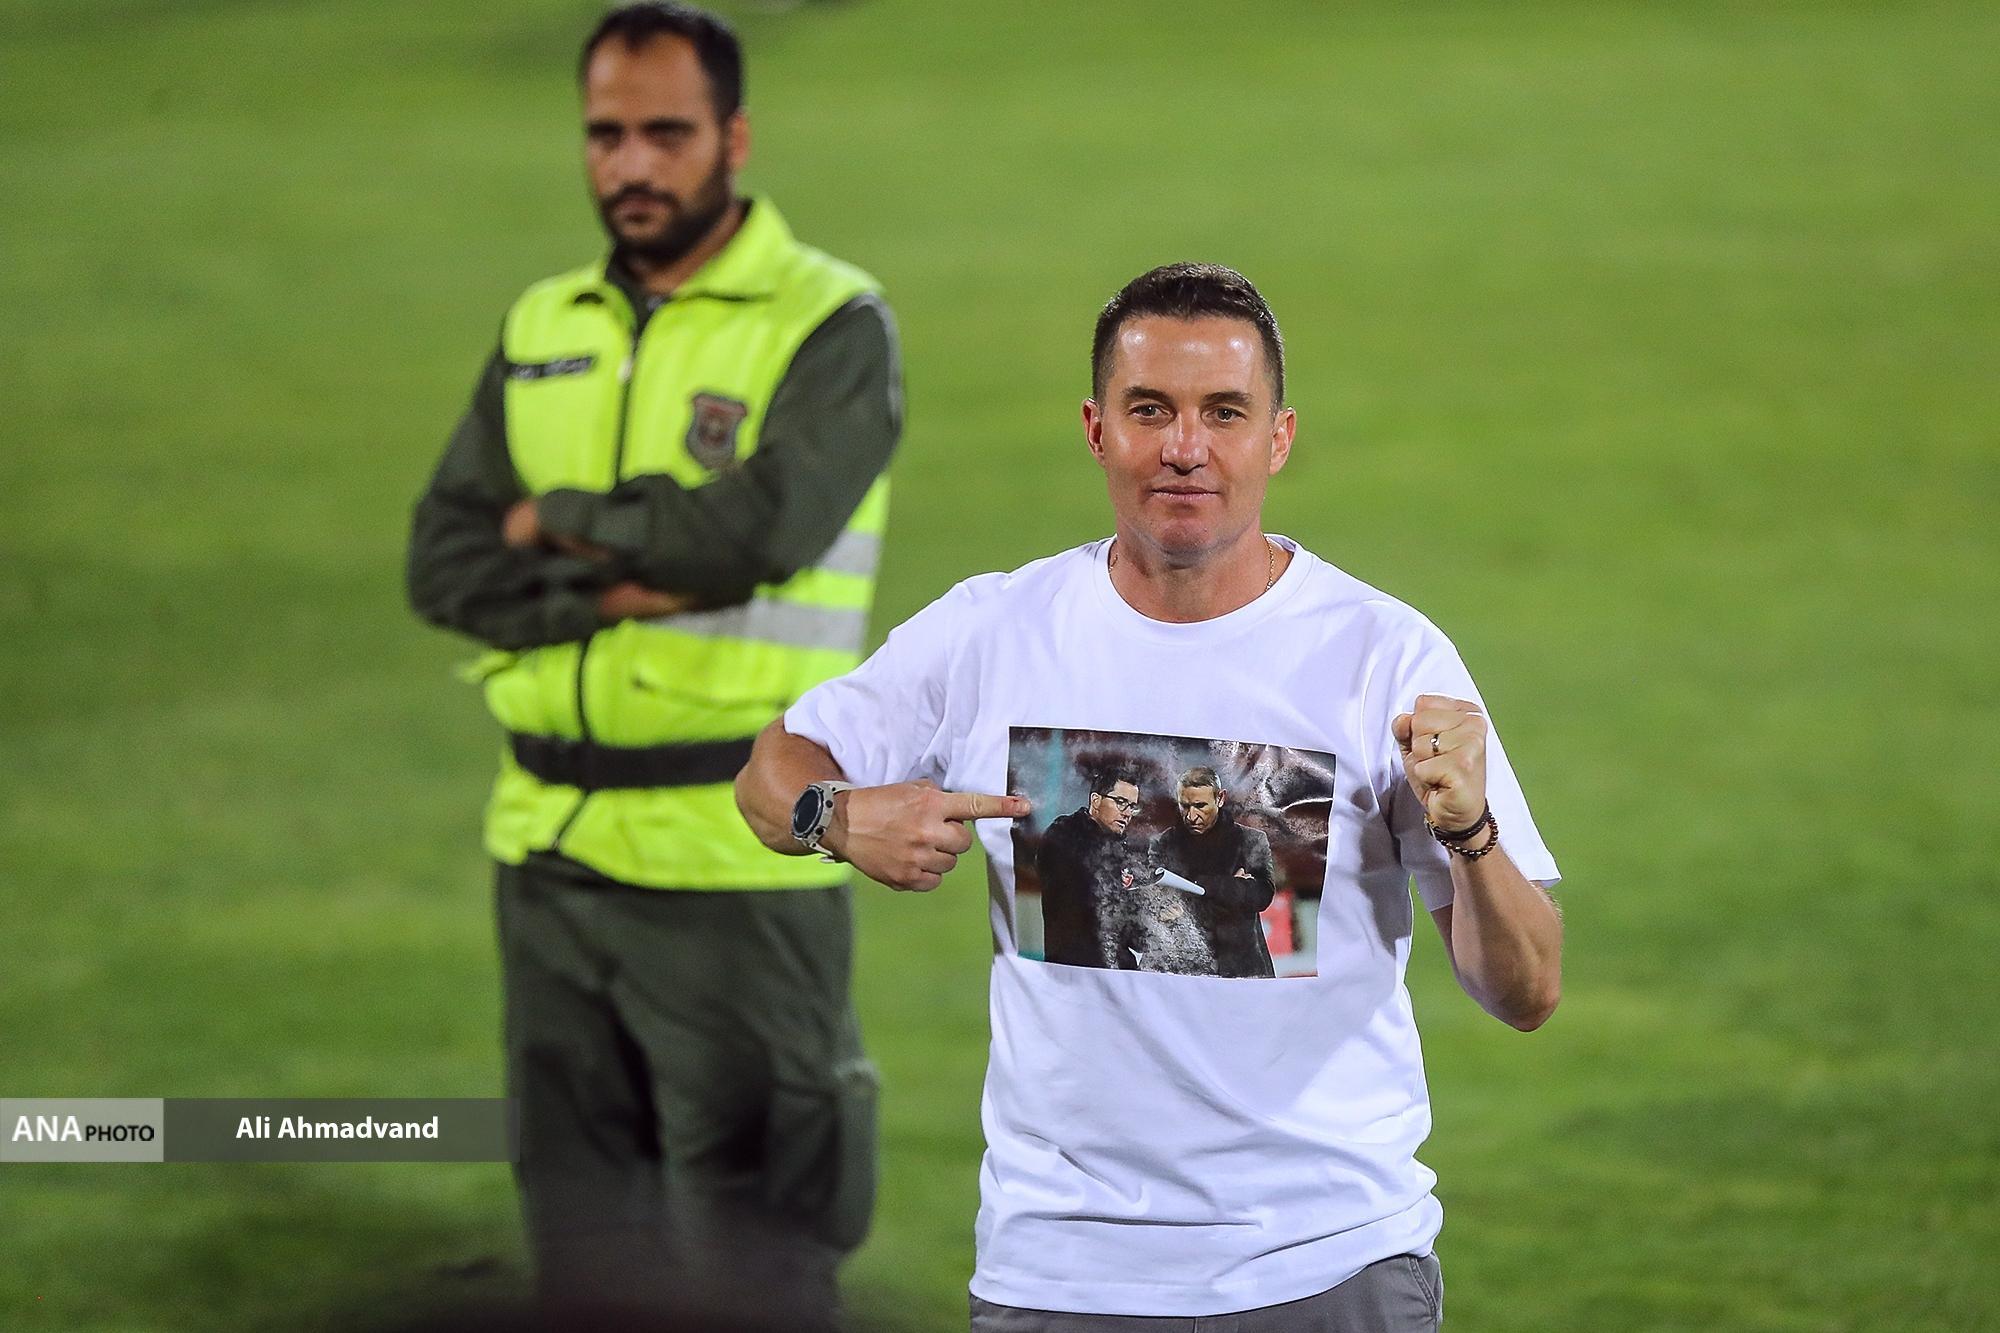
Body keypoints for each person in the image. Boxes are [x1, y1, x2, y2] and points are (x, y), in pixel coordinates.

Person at [735, 262, 1562, 1330]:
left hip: (1324, 1265)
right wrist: (837, 817)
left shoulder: (1382, 657)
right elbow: (770, 772)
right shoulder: (994, 631)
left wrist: (1471, 833)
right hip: (1057, 1274)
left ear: (1278, 438)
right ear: (1096, 429)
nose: (1185, 447)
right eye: (1149, 410)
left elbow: (1525, 990)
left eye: (1225, 412)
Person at [404, 4, 901, 1324]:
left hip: (732, 859)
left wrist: (548, 521)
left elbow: (757, 535)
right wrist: (628, 563)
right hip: (545, 853)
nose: (632, 165)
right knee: (582, 1260)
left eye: (666, 134)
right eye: (606, 135)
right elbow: (442, 566)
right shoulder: (541, 323)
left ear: (733, 138)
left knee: (759, 1267)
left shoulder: (828, 323)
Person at [1141, 765, 1277, 978]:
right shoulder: (1162, 844)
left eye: (1200, 806)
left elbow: (1262, 896)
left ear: (1220, 798)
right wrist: (1232, 887)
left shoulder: (1251, 840)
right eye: (1184, 806)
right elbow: (1155, 903)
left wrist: (1199, 888)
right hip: (1184, 966)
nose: (1191, 816)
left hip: (1242, 967)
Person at [1033, 767, 1142, 967]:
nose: (1127, 813)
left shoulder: (1123, 848)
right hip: (1076, 968)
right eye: (1120, 802)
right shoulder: (1065, 833)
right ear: (1096, 800)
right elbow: (1086, 900)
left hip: (1120, 972)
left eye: (1132, 807)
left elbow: (1134, 938)